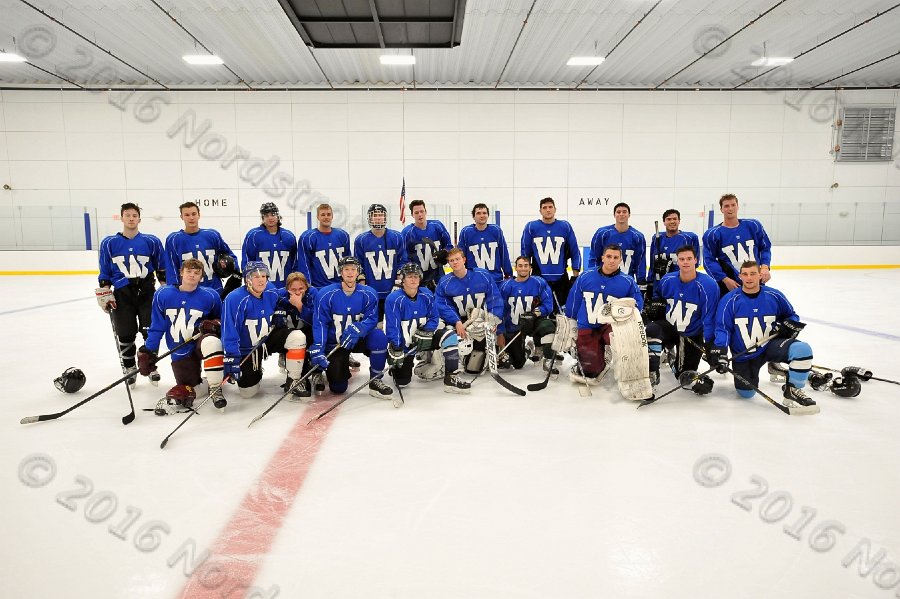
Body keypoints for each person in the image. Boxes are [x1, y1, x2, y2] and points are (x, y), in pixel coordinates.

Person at [709, 261, 817, 409]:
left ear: (760, 275)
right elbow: (723, 329)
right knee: (746, 394)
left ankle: (793, 389)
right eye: (745, 274)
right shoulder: (729, 300)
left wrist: (787, 324)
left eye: (753, 273)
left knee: (802, 350)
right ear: (740, 276)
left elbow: (792, 316)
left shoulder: (774, 295)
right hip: (744, 354)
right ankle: (778, 369)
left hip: (770, 346)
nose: (749, 277)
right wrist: (720, 352)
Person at [137, 259, 225, 414]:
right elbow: (157, 326)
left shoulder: (210, 296)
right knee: (188, 387)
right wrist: (149, 351)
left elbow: (222, 322)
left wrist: (213, 324)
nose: (192, 275)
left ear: (201, 276)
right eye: (189, 271)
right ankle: (213, 379)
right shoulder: (163, 294)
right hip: (180, 349)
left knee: (211, 342)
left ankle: (216, 387)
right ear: (181, 272)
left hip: (200, 342)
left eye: (196, 273)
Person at [566, 244, 649, 400]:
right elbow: (573, 301)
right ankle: (599, 358)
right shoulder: (585, 276)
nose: (612, 260)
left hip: (611, 327)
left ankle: (619, 361)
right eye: (609, 256)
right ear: (602, 257)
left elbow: (637, 304)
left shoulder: (627, 281)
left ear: (620, 260)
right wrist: (571, 322)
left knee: (626, 345)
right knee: (591, 371)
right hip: (587, 326)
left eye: (616, 257)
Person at [96, 202, 166, 386]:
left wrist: (165, 289)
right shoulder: (109, 243)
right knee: (125, 332)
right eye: (127, 215)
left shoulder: (151, 241)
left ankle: (150, 365)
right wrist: (104, 292)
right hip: (121, 292)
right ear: (122, 218)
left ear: (139, 219)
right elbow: (105, 270)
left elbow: (161, 267)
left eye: (134, 215)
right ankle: (129, 367)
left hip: (146, 290)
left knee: (150, 330)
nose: (131, 218)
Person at [221, 261, 310, 400]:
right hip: (247, 348)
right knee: (248, 393)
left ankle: (294, 380)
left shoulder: (270, 290)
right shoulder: (234, 299)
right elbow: (229, 331)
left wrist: (280, 309)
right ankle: (255, 371)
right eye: (256, 276)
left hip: (268, 339)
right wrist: (232, 356)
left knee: (297, 337)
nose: (261, 279)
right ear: (247, 279)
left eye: (264, 276)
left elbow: (280, 301)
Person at [307, 256, 393, 399]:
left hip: (358, 339)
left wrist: (359, 328)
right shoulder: (326, 294)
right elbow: (320, 323)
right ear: (340, 272)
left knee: (379, 338)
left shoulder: (369, 293)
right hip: (337, 343)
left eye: (353, 269)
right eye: (346, 269)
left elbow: (372, 319)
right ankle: (334, 367)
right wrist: (319, 347)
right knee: (338, 388)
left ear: (358, 272)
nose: (350, 272)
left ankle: (376, 380)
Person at [384, 263, 471, 394]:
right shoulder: (394, 299)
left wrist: (427, 330)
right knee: (402, 381)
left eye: (416, 276)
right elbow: (392, 325)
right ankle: (396, 369)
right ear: (403, 279)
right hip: (406, 345)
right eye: (409, 277)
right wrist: (396, 347)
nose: (413, 279)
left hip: (425, 338)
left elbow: (434, 316)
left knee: (449, 336)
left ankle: (451, 378)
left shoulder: (426, 294)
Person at [643, 245, 719, 394]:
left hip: (691, 333)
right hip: (669, 328)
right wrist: (655, 306)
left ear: (696, 260)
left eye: (689, 259)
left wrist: (710, 344)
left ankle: (672, 357)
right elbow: (658, 298)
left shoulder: (708, 285)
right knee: (651, 330)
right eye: (682, 259)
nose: (685, 262)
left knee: (685, 378)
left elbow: (709, 317)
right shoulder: (667, 280)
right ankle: (652, 372)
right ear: (677, 261)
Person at [434, 247, 504, 374]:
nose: (455, 262)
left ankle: (486, 352)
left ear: (464, 260)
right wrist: (456, 321)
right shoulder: (445, 282)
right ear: (448, 263)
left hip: (480, 321)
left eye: (457, 259)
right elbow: (442, 305)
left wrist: (493, 320)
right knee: (444, 332)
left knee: (473, 369)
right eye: (451, 260)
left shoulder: (483, 275)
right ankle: (451, 360)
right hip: (460, 321)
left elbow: (495, 298)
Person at [702, 194, 773, 297]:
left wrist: (765, 267)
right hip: (730, 285)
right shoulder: (712, 234)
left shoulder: (753, 225)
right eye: (726, 206)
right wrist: (725, 280)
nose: (730, 208)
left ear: (738, 206)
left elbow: (765, 247)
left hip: (756, 281)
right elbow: (708, 260)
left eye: (733, 205)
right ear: (721, 209)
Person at [164, 201, 238, 297]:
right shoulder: (173, 239)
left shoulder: (212, 235)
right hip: (188, 292)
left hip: (214, 290)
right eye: (187, 215)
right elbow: (171, 268)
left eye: (194, 214)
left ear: (199, 215)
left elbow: (230, 256)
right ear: (181, 217)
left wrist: (234, 271)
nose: (191, 218)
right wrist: (174, 291)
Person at [519, 197, 581, 309]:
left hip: (561, 278)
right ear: (540, 211)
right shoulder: (531, 227)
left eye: (550, 207)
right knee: (540, 311)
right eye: (544, 207)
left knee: (562, 311)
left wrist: (575, 276)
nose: (548, 210)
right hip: (539, 277)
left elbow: (575, 251)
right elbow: (525, 253)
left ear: (555, 209)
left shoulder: (565, 226)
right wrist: (525, 274)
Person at [498, 256, 556, 374]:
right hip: (514, 327)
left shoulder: (539, 283)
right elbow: (500, 310)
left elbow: (548, 305)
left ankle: (548, 358)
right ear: (516, 268)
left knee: (548, 326)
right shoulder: (506, 286)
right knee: (518, 364)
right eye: (520, 266)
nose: (523, 269)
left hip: (534, 323)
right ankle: (528, 349)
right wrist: (500, 332)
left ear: (530, 268)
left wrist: (534, 314)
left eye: (526, 266)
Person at [354, 203, 408, 318]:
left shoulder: (397, 237)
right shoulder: (361, 240)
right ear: (369, 218)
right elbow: (358, 265)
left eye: (380, 215)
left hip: (392, 290)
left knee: (394, 322)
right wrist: (362, 286)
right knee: (373, 324)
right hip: (372, 291)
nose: (378, 218)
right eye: (375, 215)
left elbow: (402, 261)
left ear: (385, 217)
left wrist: (398, 282)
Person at [587, 202, 647, 293]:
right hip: (604, 280)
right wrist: (592, 276)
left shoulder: (638, 236)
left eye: (624, 212)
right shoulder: (602, 233)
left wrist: (641, 282)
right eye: (618, 212)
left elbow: (640, 262)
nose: (621, 214)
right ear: (614, 215)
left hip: (626, 281)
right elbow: (594, 257)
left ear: (629, 215)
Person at [645, 209, 700, 300]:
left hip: (680, 285)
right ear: (664, 222)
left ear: (679, 221)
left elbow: (695, 264)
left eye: (675, 219)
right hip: (659, 284)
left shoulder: (689, 238)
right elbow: (652, 262)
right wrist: (649, 282)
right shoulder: (656, 238)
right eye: (669, 219)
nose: (672, 221)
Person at [241, 202, 297, 289]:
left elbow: (294, 263)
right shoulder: (253, 235)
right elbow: (247, 261)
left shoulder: (289, 236)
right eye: (267, 215)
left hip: (285, 287)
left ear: (278, 216)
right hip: (261, 288)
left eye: (273, 214)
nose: (270, 218)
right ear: (262, 218)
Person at [296, 203, 352, 289]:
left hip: (340, 286)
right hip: (319, 287)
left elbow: (348, 262)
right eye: (323, 215)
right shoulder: (308, 237)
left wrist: (349, 284)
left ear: (332, 216)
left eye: (328, 214)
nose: (326, 217)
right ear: (318, 217)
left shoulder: (342, 235)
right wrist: (308, 287)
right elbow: (304, 265)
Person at [401, 199, 453, 291]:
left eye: (422, 211)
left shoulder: (437, 226)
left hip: (438, 276)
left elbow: (449, 246)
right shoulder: (407, 233)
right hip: (419, 280)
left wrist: (445, 252)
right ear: (412, 215)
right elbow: (404, 258)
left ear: (426, 212)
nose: (420, 215)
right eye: (416, 212)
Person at [457, 203, 513, 284]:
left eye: (484, 213)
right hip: (473, 280)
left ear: (488, 215)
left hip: (495, 280)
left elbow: (504, 254)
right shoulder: (466, 232)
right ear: (473, 217)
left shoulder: (496, 230)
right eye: (478, 213)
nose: (482, 215)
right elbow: (461, 256)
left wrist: (508, 274)